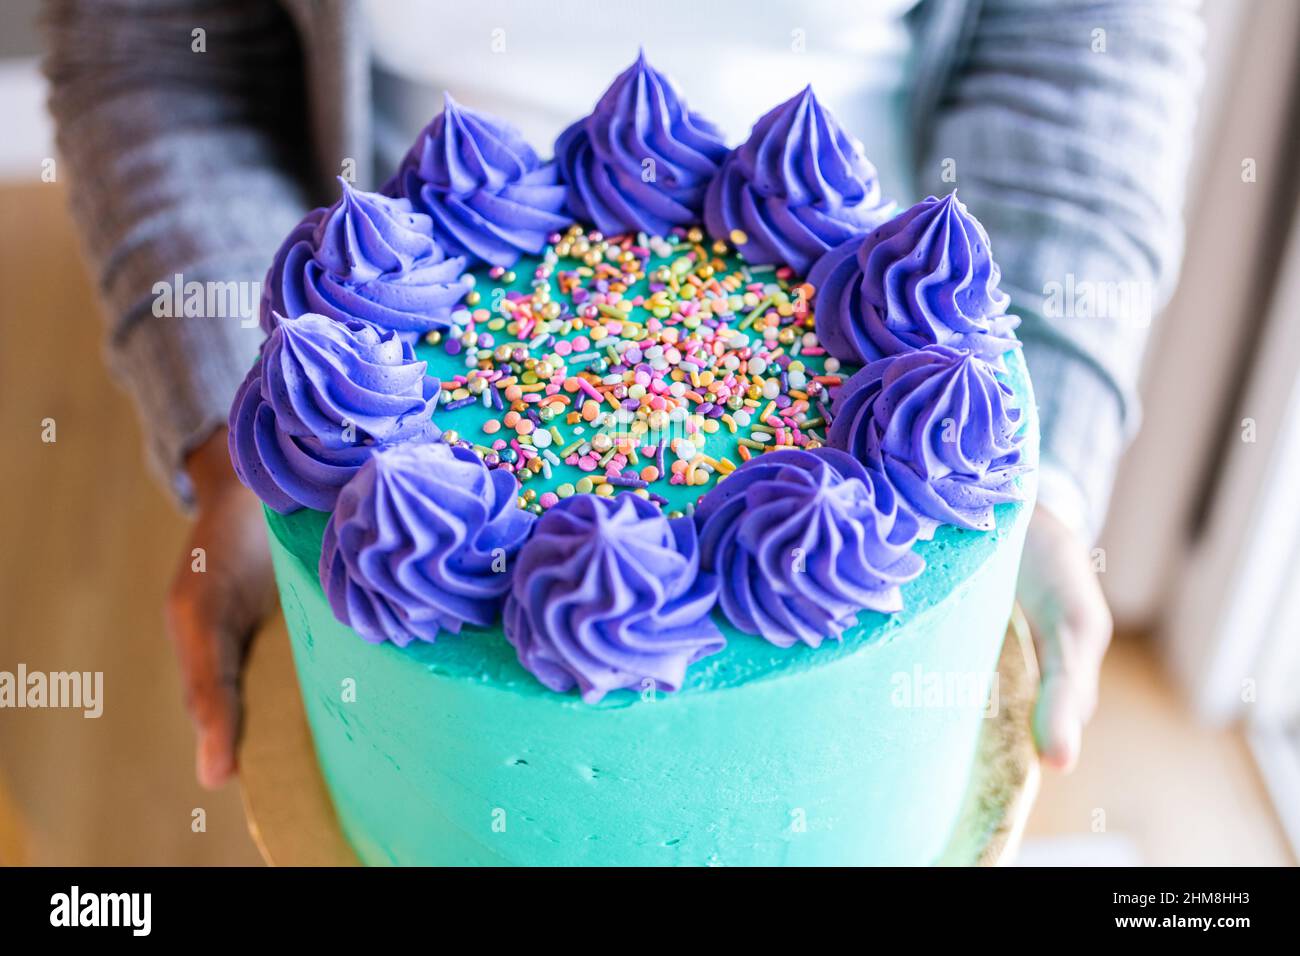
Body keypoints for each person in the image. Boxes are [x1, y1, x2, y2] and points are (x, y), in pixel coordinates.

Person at [43, 0, 1202, 788]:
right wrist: (229, 436)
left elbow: (1085, 46)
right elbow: (153, 49)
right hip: (405, 307)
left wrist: (1029, 446)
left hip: (856, 334)